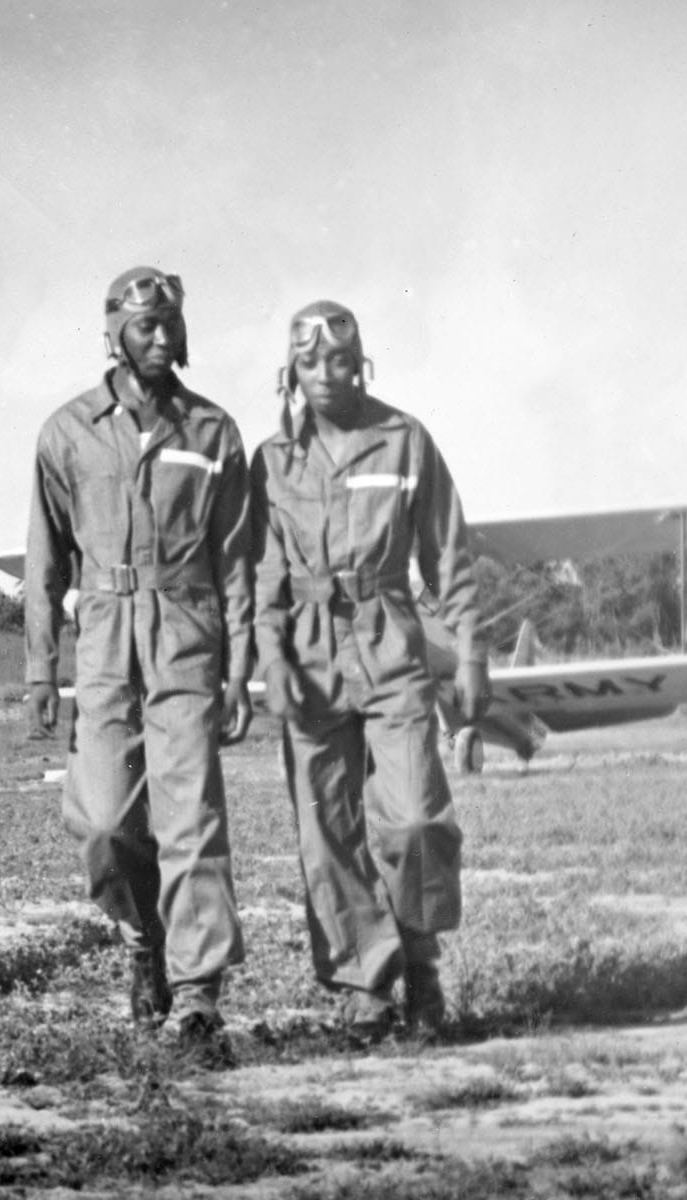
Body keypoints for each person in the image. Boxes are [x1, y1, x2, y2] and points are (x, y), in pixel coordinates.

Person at [24, 267, 255, 1047]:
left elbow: (238, 564)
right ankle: (143, 938)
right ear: (114, 332)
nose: (160, 339)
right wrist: (39, 671)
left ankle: (196, 995)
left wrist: (239, 668)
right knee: (104, 824)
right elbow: (44, 562)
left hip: (187, 634)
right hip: (102, 640)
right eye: (143, 326)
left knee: (191, 818)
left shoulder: (214, 432)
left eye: (169, 325)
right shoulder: (67, 432)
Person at [251, 300, 489, 1042]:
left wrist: (473, 652)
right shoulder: (272, 461)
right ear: (291, 371)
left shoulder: (403, 440)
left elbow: (449, 557)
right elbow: (261, 576)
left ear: (364, 364)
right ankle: (367, 988)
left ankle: (420, 965)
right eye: (312, 362)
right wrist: (272, 658)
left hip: (390, 642)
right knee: (328, 830)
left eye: (343, 361)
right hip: (311, 654)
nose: (328, 375)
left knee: (415, 816)